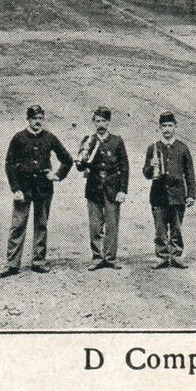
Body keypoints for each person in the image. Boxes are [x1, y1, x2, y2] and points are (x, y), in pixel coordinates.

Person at [0, 104, 73, 277]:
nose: (38, 122)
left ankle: (38, 261)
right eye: (34, 118)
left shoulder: (49, 137)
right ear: (28, 119)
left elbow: (67, 159)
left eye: (40, 118)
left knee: (41, 225)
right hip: (23, 190)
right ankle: (12, 264)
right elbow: (9, 165)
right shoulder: (18, 138)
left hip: (43, 188)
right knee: (18, 225)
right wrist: (15, 189)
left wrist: (57, 175)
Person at [75, 106, 128, 271]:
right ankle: (97, 258)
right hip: (94, 187)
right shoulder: (88, 141)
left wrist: (122, 190)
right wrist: (82, 162)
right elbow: (79, 166)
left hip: (112, 187)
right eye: (97, 121)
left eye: (104, 121)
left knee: (112, 224)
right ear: (93, 122)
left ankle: (111, 258)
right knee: (95, 226)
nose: (101, 124)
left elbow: (124, 166)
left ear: (109, 122)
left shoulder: (117, 141)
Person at [142, 111, 196, 268]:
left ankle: (176, 255)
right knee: (160, 229)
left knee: (177, 228)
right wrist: (151, 167)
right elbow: (146, 174)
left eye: (170, 126)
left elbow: (190, 174)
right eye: (164, 126)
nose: (167, 129)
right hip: (158, 195)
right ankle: (162, 256)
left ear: (175, 127)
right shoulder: (153, 147)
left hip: (178, 195)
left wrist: (191, 194)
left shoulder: (183, 148)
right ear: (159, 127)